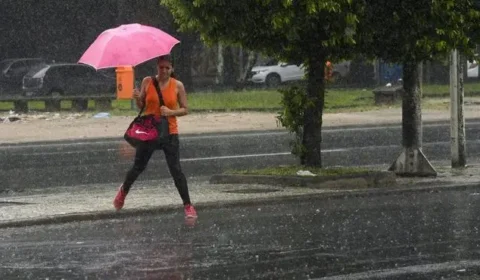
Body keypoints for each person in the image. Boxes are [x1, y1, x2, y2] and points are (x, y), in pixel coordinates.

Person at [113, 55, 197, 218]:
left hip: (169, 132)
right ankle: (123, 191)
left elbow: (185, 109)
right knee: (138, 167)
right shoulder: (147, 82)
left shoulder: (177, 85)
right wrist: (137, 98)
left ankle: (188, 205)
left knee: (176, 170)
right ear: (157, 68)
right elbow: (142, 106)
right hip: (150, 132)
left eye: (167, 68)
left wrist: (171, 112)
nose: (164, 70)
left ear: (172, 69)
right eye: (161, 67)